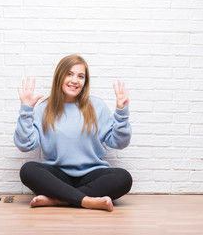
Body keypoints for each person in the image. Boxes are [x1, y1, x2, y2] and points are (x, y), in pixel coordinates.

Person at [14, 54, 132, 212]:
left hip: (92, 174)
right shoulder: (44, 109)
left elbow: (119, 143)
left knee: (123, 178)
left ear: (85, 81)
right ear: (59, 76)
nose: (75, 80)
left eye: (80, 76)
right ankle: (87, 200)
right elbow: (25, 145)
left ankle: (59, 200)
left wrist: (121, 113)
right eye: (69, 74)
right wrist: (26, 110)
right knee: (28, 170)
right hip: (57, 176)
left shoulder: (97, 106)